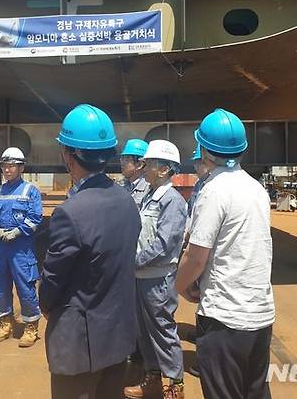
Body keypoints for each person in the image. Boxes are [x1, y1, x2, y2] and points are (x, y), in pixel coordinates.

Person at [40, 104, 141, 399]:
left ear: (69, 157)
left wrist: (46, 304)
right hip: (118, 337)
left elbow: (53, 281)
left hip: (79, 348)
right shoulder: (126, 201)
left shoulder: (70, 212)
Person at [176, 108, 275, 399]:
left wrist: (180, 287)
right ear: (242, 150)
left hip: (225, 320)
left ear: (204, 150)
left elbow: (196, 257)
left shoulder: (214, 190)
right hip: (260, 316)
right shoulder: (256, 189)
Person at [124, 140, 188, 399]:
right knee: (144, 333)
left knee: (163, 335)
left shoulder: (172, 200)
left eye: (148, 164)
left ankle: (174, 390)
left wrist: (132, 261)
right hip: (141, 278)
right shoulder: (151, 195)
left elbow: (163, 244)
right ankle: (152, 380)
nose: (144, 167)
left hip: (158, 281)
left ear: (163, 169)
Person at [0, 147, 43, 347]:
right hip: (0, 246)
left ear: (21, 168)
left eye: (11, 166)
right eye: (4, 166)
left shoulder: (30, 191)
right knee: (1, 286)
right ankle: (5, 323)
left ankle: (31, 327)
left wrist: (17, 232)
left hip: (21, 248)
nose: (7, 170)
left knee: (25, 286)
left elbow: (35, 218)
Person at [120, 138, 150, 207]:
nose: (122, 163)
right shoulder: (123, 186)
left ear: (140, 164)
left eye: (126, 159)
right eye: (122, 159)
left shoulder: (149, 189)